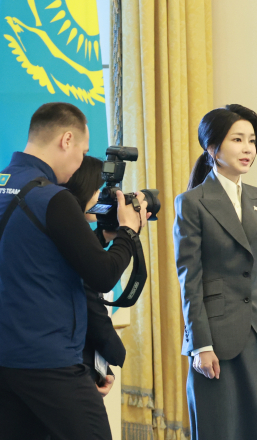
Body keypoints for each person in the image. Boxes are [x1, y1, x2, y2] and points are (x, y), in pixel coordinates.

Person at [0, 102, 148, 440]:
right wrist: (128, 231)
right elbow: (103, 275)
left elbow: (37, 255)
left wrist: (98, 236)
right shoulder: (53, 198)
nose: (80, 163)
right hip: (48, 361)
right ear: (67, 140)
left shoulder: (5, 184)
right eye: (82, 152)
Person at [173, 104, 257, 440]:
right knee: (220, 428)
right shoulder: (192, 202)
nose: (248, 149)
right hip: (216, 339)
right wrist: (200, 345)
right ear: (212, 148)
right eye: (237, 139)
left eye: (251, 140)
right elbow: (189, 279)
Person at [62, 155, 127, 396]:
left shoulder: (64, 228)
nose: (101, 198)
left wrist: (102, 237)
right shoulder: (64, 227)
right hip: (71, 362)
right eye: (98, 190)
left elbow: (84, 258)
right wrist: (127, 234)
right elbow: (96, 280)